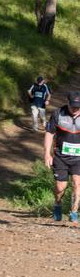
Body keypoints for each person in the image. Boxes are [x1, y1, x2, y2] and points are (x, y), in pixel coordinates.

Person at [44, 91, 80, 224]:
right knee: (60, 187)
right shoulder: (58, 113)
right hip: (61, 156)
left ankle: (74, 212)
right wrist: (47, 153)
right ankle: (57, 204)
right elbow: (49, 133)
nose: (75, 109)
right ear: (68, 102)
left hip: (79, 158)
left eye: (78, 107)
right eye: (73, 106)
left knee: (77, 184)